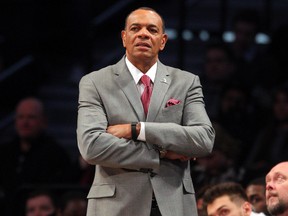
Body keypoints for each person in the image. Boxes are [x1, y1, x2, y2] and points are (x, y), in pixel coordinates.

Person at [77, 7, 215, 216]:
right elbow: (92, 146)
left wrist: (138, 130)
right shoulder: (94, 82)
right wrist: (161, 153)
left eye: (152, 30)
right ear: (124, 37)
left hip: (174, 205)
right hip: (116, 207)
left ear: (163, 41)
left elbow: (203, 140)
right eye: (135, 28)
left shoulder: (187, 82)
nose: (143, 34)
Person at [0, 97, 72, 215]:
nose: (25, 122)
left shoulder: (55, 153)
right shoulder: (4, 152)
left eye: (31, 117)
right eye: (21, 117)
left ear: (43, 121)